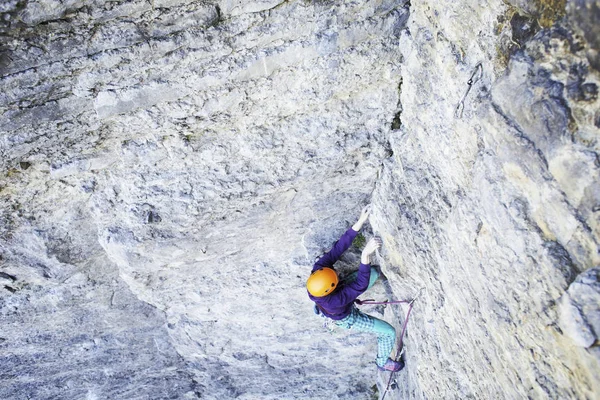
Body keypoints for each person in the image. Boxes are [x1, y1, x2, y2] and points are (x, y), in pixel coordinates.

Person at [306, 205, 404, 372]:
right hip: (345, 317)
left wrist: (359, 222)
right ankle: (382, 362)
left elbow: (338, 249)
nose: (336, 271)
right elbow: (360, 285)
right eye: (335, 275)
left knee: (372, 272)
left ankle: (323, 309)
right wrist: (365, 255)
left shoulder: (319, 271)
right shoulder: (335, 300)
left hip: (336, 300)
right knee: (388, 332)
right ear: (330, 288)